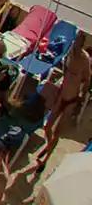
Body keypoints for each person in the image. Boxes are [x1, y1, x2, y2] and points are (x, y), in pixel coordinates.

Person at [30, 33, 92, 173]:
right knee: (47, 127)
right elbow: (65, 67)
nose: (76, 43)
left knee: (58, 132)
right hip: (62, 95)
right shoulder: (70, 52)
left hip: (72, 100)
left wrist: (82, 97)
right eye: (75, 40)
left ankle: (45, 160)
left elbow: (88, 79)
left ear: (82, 43)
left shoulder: (84, 60)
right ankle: (49, 146)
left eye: (79, 41)